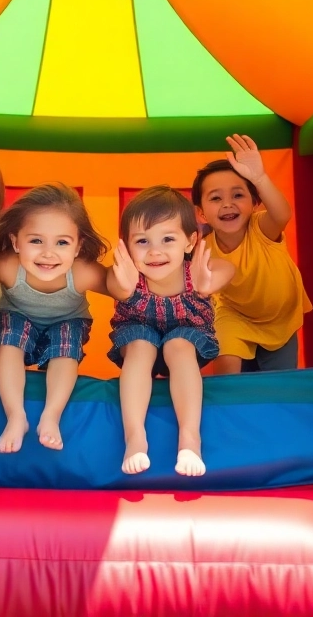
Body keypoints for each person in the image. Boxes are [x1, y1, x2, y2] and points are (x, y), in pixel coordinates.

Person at [107, 186, 234, 477]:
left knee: (178, 345)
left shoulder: (196, 271)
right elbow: (111, 284)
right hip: (140, 339)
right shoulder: (130, 275)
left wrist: (207, 285)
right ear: (126, 245)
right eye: (142, 241)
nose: (154, 251)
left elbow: (228, 269)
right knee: (140, 345)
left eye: (167, 238)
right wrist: (122, 287)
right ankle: (135, 437)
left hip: (185, 341)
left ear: (190, 242)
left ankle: (190, 439)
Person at [0, 184, 111, 453]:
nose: (48, 252)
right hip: (18, 319)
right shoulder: (7, 266)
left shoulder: (83, 272)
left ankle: (51, 416)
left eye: (62, 242)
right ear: (15, 242)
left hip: (67, 321)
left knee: (66, 347)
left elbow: (121, 290)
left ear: (78, 246)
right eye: (35, 240)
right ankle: (15, 415)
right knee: (9, 338)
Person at [192, 134, 312, 375]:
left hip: (280, 321)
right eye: (216, 198)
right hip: (235, 315)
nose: (227, 204)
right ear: (202, 213)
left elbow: (282, 214)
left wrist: (259, 178)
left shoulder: (261, 228)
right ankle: (228, 405)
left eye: (238, 195)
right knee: (226, 364)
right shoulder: (203, 248)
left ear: (256, 202)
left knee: (279, 384)